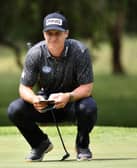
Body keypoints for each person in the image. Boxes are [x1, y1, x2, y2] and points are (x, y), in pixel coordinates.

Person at [7, 12, 97, 162]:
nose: (53, 37)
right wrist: (34, 99)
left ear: (66, 33)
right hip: (45, 106)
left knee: (89, 107)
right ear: (44, 34)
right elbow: (24, 88)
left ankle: (82, 146)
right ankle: (39, 144)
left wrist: (68, 96)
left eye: (58, 33)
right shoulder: (35, 54)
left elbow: (87, 88)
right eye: (49, 33)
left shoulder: (80, 52)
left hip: (71, 104)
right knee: (15, 109)